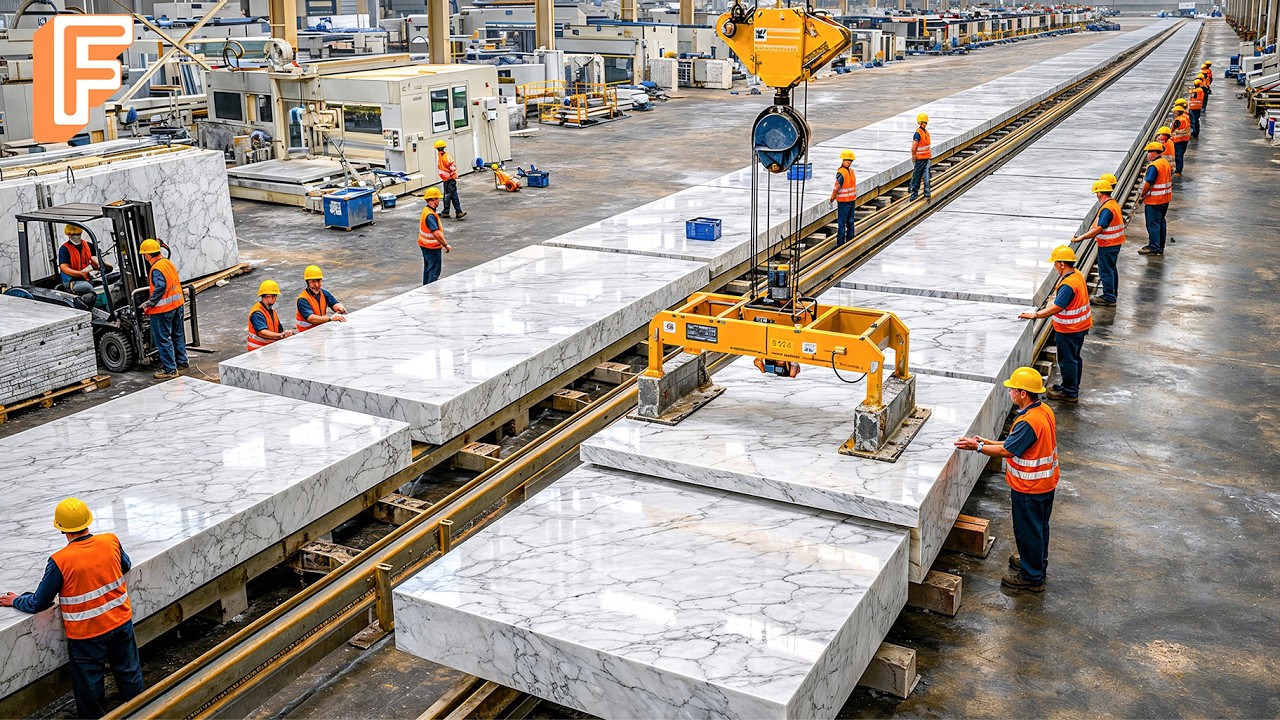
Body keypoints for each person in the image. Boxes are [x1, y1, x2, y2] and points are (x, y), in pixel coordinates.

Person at [0, 498, 145, 717]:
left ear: (61, 529)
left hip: (86, 636)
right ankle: (142, 712)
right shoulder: (110, 541)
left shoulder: (60, 561)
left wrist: (17, 600)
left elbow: (39, 602)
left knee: (90, 691)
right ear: (88, 521)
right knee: (130, 675)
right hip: (120, 623)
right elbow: (125, 565)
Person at [954, 367, 1059, 593]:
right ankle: (1036, 564)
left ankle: (1032, 577)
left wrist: (978, 447)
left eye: (1013, 389)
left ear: (1023, 393)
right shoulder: (1043, 411)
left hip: (1029, 488)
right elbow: (1014, 444)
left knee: (1027, 531)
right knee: (1039, 528)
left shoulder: (1028, 422)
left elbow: (1009, 452)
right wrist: (988, 441)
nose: (1010, 392)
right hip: (1045, 485)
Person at [1018, 246, 1092, 402]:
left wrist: (1036, 315)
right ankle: (1070, 386)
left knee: (1067, 360)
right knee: (1074, 358)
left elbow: (1058, 307)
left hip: (1069, 330)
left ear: (1062, 264)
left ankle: (1070, 392)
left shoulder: (1068, 285)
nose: (1054, 266)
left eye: (1055, 263)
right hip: (1080, 327)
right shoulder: (1076, 275)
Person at [1070, 179, 1125, 306]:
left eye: (1097, 193)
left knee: (1106, 270)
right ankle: (1112, 293)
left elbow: (1100, 228)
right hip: (1114, 242)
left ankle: (1109, 297)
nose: (1096, 195)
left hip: (1108, 244)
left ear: (1100, 193)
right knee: (1111, 269)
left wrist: (1081, 237)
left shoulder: (1106, 209)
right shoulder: (1112, 203)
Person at [138, 239, 187, 379]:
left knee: (163, 339)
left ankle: (170, 370)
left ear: (147, 255)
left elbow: (161, 286)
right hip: (177, 304)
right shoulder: (167, 263)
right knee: (178, 335)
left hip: (163, 309)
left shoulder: (156, 268)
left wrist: (150, 302)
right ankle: (182, 362)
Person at [58, 225, 110, 308]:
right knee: (88, 290)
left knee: (108, 283)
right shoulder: (64, 249)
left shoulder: (88, 245)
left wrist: (101, 265)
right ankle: (81, 309)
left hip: (86, 277)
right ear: (69, 235)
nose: (76, 237)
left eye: (78, 234)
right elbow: (64, 267)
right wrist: (80, 273)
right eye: (74, 235)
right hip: (72, 281)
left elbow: (94, 258)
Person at [1137, 141, 1173, 256]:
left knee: (1152, 224)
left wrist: (1141, 195)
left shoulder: (1154, 166)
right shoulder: (1164, 162)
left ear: (1155, 153)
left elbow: (1148, 183)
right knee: (1161, 222)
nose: (1147, 154)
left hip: (1154, 201)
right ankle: (1160, 246)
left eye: (1149, 152)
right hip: (1165, 199)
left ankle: (1153, 247)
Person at [295, 265, 347, 331]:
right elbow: (311, 318)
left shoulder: (323, 293)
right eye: (313, 282)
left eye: (318, 281)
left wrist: (340, 308)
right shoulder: (302, 299)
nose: (316, 285)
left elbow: (334, 303)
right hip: (305, 333)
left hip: (319, 329)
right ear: (307, 282)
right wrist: (330, 319)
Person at [418, 187, 453, 285]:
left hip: (424, 244)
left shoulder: (426, 210)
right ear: (432, 200)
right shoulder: (430, 215)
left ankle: (425, 288)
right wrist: (445, 244)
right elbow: (436, 233)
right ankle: (431, 292)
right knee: (434, 271)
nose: (438, 201)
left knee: (428, 268)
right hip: (431, 247)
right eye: (437, 198)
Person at [247, 280, 294, 351]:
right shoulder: (257, 313)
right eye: (267, 297)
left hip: (269, 350)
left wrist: (285, 334)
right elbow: (262, 332)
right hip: (258, 351)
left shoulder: (272, 311)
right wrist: (280, 335)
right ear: (262, 297)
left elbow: (279, 329)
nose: (270, 300)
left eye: (273, 297)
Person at [828, 149, 857, 247]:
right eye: (848, 160)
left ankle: (840, 244)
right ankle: (850, 240)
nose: (849, 162)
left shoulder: (841, 172)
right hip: (851, 200)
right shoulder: (851, 172)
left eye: (850, 161)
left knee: (842, 223)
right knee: (850, 221)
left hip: (844, 202)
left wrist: (832, 198)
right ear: (843, 160)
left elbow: (837, 187)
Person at [434, 140, 466, 219]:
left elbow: (451, 168)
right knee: (453, 195)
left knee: (449, 195)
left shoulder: (442, 156)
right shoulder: (445, 156)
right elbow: (452, 167)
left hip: (448, 179)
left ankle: (447, 212)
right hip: (449, 179)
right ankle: (457, 212)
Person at [909, 113, 932, 201]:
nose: (925, 124)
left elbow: (927, 145)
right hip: (919, 160)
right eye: (923, 122)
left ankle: (927, 194)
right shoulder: (917, 134)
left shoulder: (926, 132)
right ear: (920, 123)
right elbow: (914, 146)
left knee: (926, 177)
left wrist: (930, 155)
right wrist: (913, 156)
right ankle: (914, 194)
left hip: (926, 159)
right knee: (917, 177)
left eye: (925, 123)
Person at [1170, 103, 1192, 177]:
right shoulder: (1185, 117)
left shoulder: (1178, 120)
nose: (1174, 113)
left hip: (1178, 140)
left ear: (1178, 112)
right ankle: (1178, 170)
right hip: (1185, 139)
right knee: (1181, 154)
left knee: (1178, 155)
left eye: (1175, 112)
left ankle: (1178, 171)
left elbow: (1173, 130)